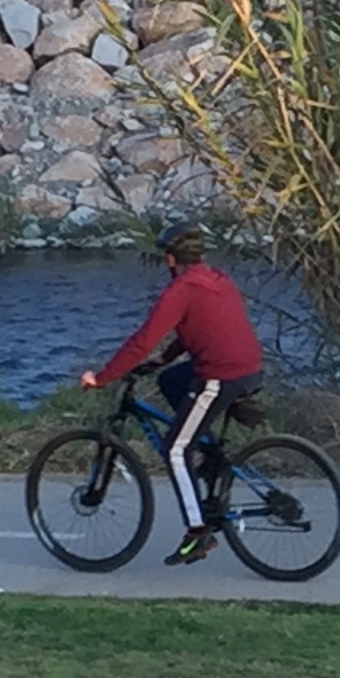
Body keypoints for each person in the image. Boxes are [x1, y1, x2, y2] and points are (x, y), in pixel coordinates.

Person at [84, 225, 263, 565]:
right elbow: (196, 327)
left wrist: (103, 377)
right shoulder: (218, 278)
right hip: (250, 369)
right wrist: (164, 360)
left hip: (220, 377)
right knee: (170, 380)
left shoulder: (180, 290)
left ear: (169, 259)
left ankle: (198, 533)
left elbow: (142, 341)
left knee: (175, 450)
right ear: (200, 254)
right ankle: (208, 455)